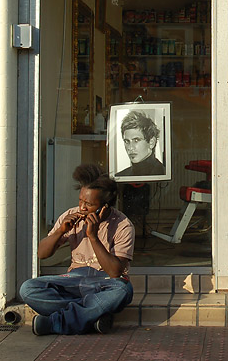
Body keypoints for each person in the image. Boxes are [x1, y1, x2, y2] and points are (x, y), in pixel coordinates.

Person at [20, 164, 135, 335]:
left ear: (105, 207)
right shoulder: (71, 215)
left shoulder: (122, 225)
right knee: (28, 288)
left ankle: (54, 323)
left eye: (88, 204)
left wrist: (93, 237)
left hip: (104, 282)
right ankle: (92, 315)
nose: (82, 208)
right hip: (74, 279)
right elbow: (42, 254)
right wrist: (60, 231)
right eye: (80, 200)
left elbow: (115, 273)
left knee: (122, 291)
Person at [117, 110, 165, 176]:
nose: (130, 148)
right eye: (127, 141)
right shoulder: (120, 177)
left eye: (136, 140)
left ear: (151, 143)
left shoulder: (163, 174)